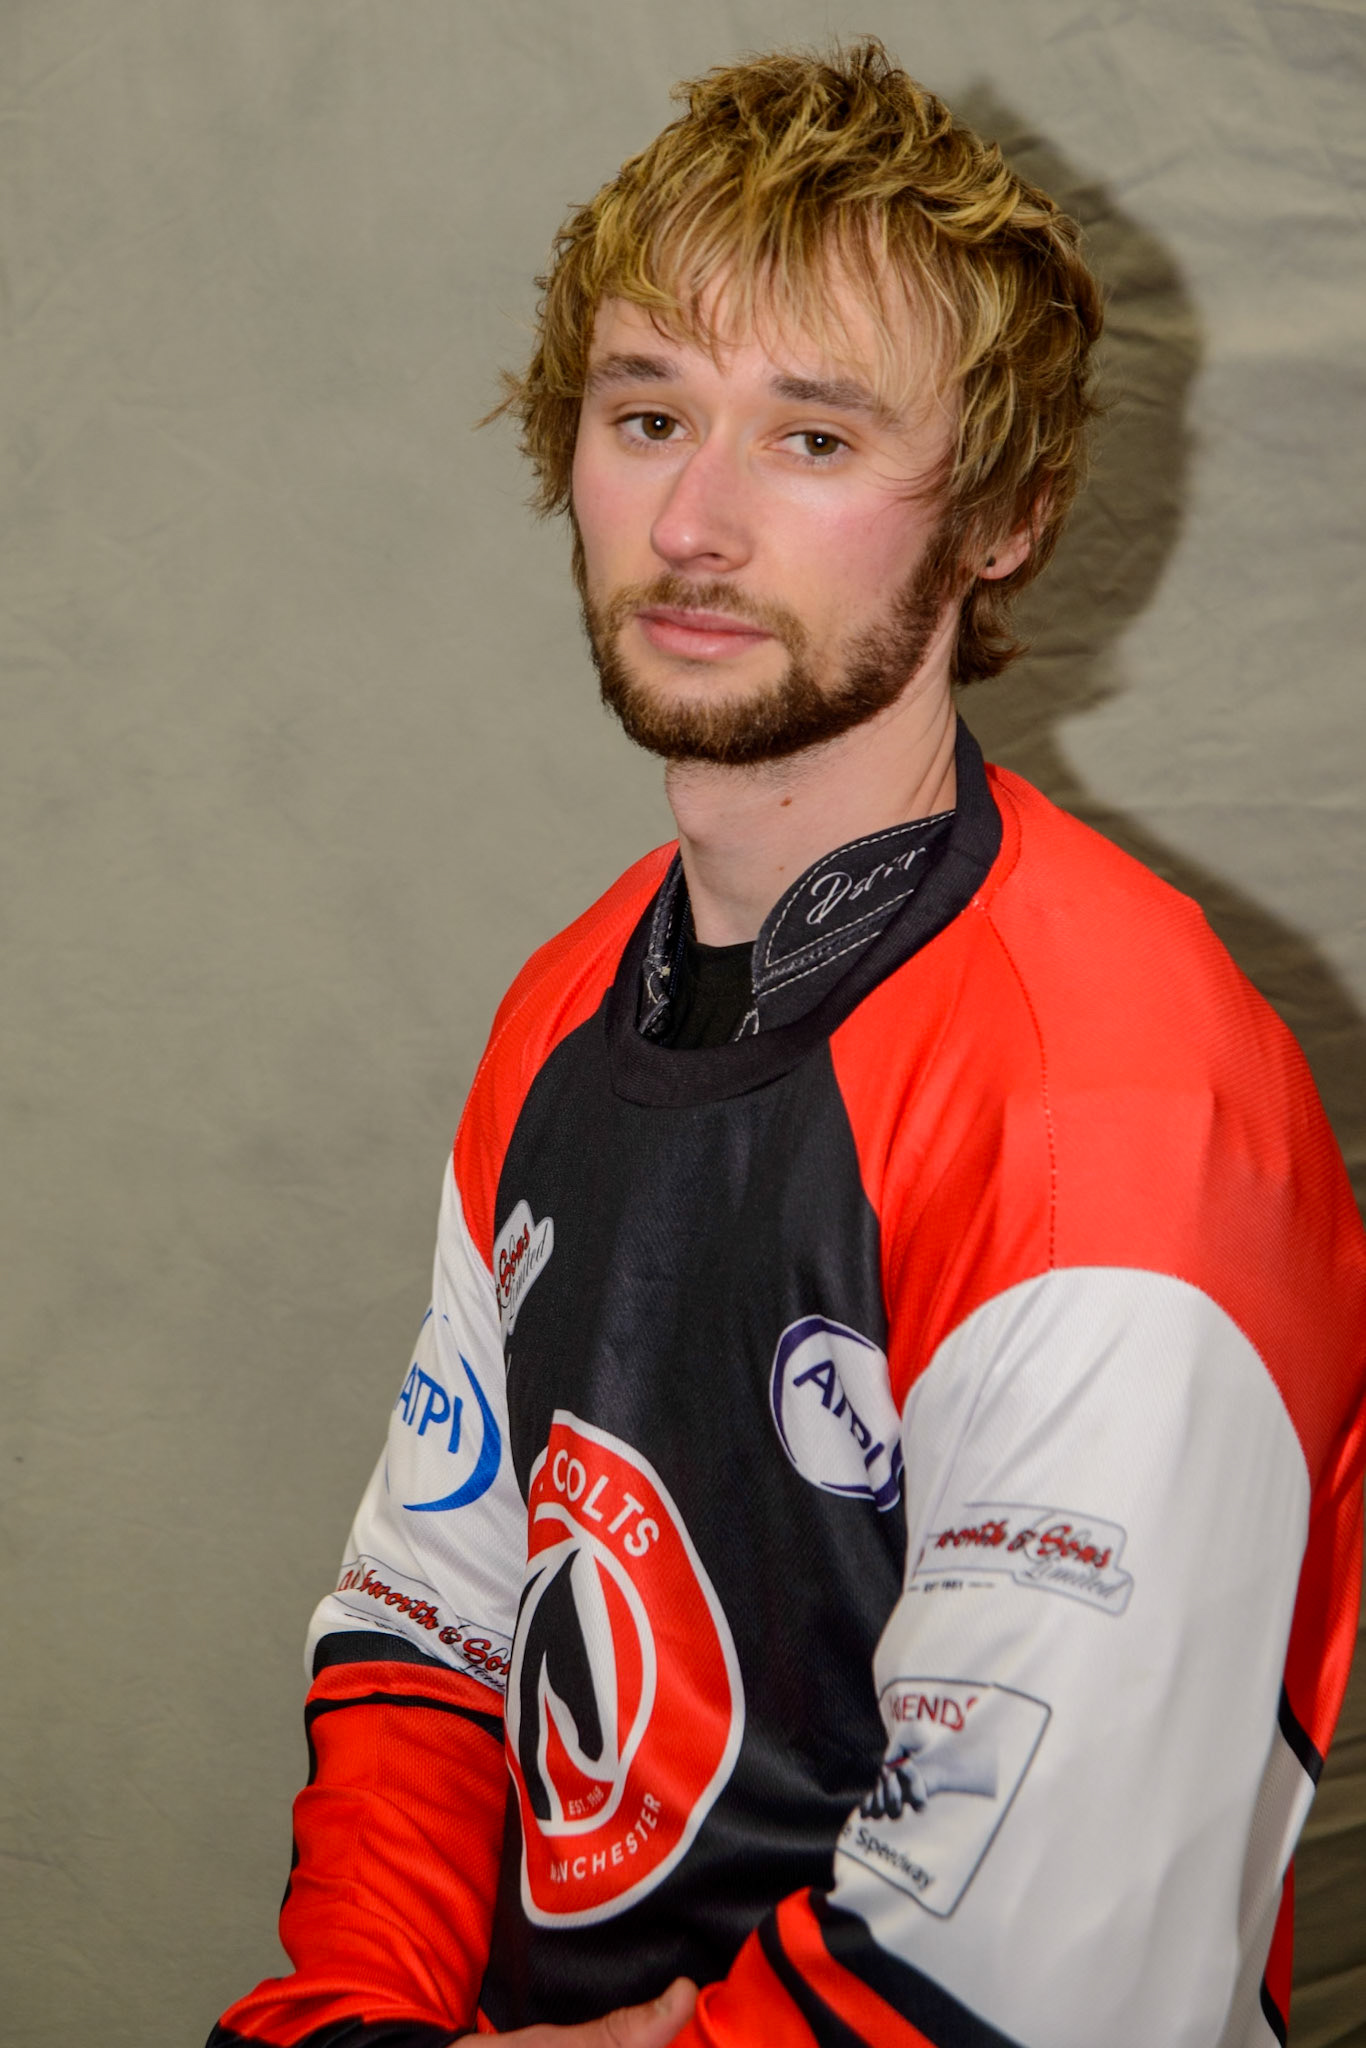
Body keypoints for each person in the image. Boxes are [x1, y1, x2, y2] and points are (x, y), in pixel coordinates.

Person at [209, 41, 1366, 2048]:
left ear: (999, 517)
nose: (695, 520)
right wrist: (351, 2019)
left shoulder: (1120, 1107)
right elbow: (429, 1625)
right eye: (648, 413)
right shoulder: (566, 1003)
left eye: (812, 437)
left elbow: (1011, 1973)